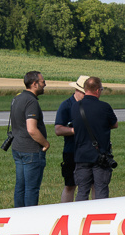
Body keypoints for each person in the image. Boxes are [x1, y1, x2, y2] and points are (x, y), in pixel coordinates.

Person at [63, 76, 117, 201]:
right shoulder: (104, 107)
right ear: (98, 90)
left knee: (82, 192)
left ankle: (81, 217)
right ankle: (100, 218)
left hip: (81, 156)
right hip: (100, 156)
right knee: (101, 191)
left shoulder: (75, 107)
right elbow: (115, 124)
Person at [8, 71, 49, 208]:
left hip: (17, 147)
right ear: (34, 84)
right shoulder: (31, 101)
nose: (45, 84)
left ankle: (18, 215)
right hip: (31, 150)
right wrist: (45, 143)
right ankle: (30, 218)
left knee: (20, 186)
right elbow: (31, 129)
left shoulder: (17, 98)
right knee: (31, 188)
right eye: (43, 82)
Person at [52, 77, 88, 204]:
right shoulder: (66, 106)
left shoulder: (91, 104)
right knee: (70, 185)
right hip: (71, 150)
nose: (86, 95)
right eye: (84, 92)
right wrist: (76, 130)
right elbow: (58, 130)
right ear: (77, 90)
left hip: (88, 151)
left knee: (90, 184)